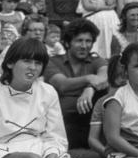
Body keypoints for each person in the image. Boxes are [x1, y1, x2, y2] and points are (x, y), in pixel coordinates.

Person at [44, 18, 110, 149]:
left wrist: (90, 88)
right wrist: (89, 79)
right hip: (63, 120)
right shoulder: (53, 61)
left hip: (90, 119)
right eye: (79, 40)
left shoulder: (96, 60)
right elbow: (63, 85)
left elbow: (105, 77)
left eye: (88, 41)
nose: (84, 46)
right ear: (68, 43)